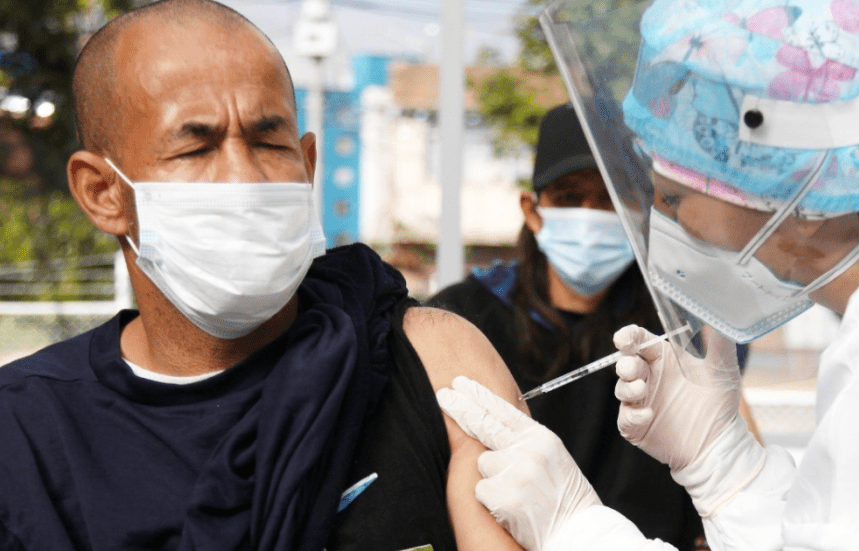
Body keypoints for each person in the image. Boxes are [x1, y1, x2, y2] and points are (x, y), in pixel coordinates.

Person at [435, 0, 859, 550]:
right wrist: (723, 465)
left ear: (796, 195)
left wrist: (576, 529)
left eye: (674, 200)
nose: (661, 226)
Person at [0, 1, 528, 550]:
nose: (243, 178)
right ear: (102, 193)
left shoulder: (429, 363)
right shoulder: (25, 435)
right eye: (196, 146)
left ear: (308, 164)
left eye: (269, 142)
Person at [429, 103, 758, 549]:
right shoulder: (465, 317)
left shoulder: (679, 323)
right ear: (533, 208)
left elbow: (738, 466)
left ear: (637, 209)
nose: (590, 214)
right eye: (568, 197)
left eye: (609, 198)